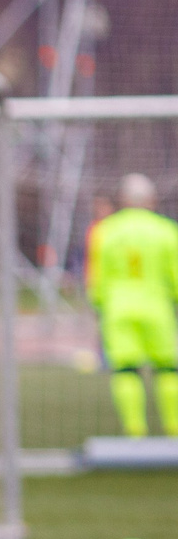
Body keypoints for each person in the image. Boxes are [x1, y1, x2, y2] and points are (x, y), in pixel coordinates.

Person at [89, 174, 178, 437]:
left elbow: (97, 277)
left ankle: (134, 430)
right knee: (168, 368)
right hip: (157, 306)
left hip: (118, 308)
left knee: (126, 369)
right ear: (151, 199)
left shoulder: (105, 230)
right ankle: (173, 429)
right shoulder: (166, 230)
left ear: (123, 199)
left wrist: (99, 304)